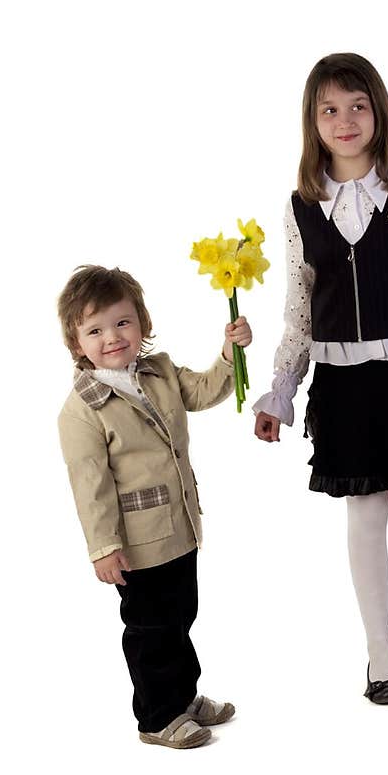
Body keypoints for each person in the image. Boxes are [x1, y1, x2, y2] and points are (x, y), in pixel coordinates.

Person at [253, 53, 388, 705]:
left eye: (357, 105)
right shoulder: (301, 205)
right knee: (365, 512)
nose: (344, 120)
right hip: (343, 386)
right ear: (312, 121)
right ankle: (380, 652)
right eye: (329, 109)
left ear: (377, 111)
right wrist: (280, 388)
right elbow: (299, 309)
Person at [58, 264, 251, 748]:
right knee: (150, 629)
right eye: (95, 330)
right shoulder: (82, 410)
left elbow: (207, 390)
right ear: (76, 341)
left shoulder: (159, 371)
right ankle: (157, 716)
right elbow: (90, 486)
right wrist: (104, 547)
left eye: (123, 322)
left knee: (181, 615)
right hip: (135, 545)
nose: (112, 337)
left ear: (141, 322)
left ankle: (183, 696)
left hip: (180, 526)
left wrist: (229, 354)